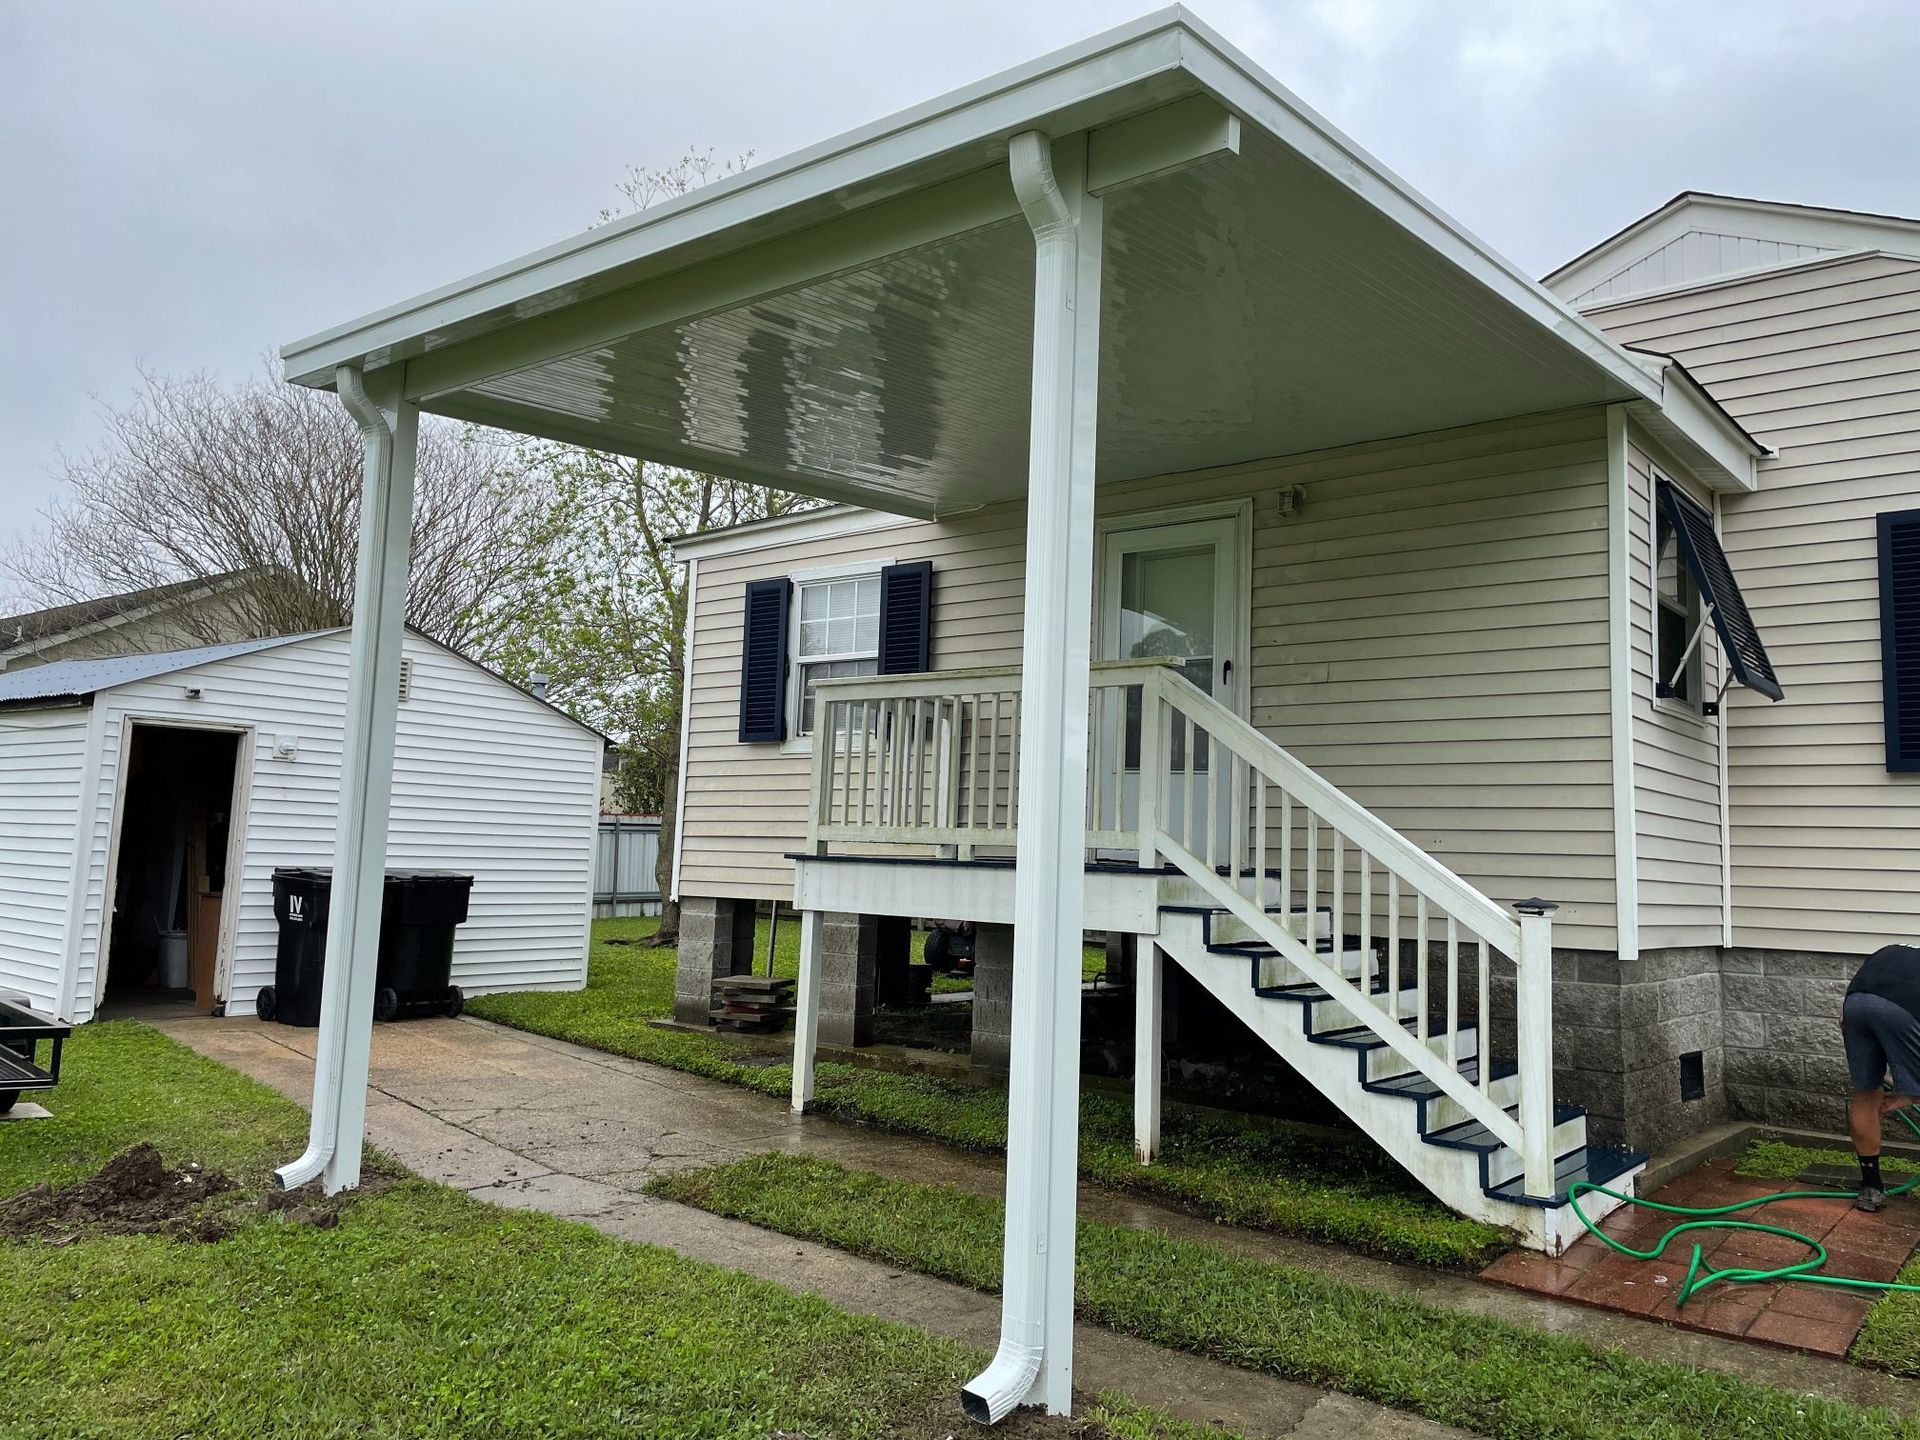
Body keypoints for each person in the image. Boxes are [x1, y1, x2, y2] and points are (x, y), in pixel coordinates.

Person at [1842, 943, 1920, 1211]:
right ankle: (1909, 1094)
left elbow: (1845, 1017)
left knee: (1866, 1092)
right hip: (1900, 1010)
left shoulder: (1892, 951)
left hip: (1854, 1006)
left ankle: (1871, 1189)